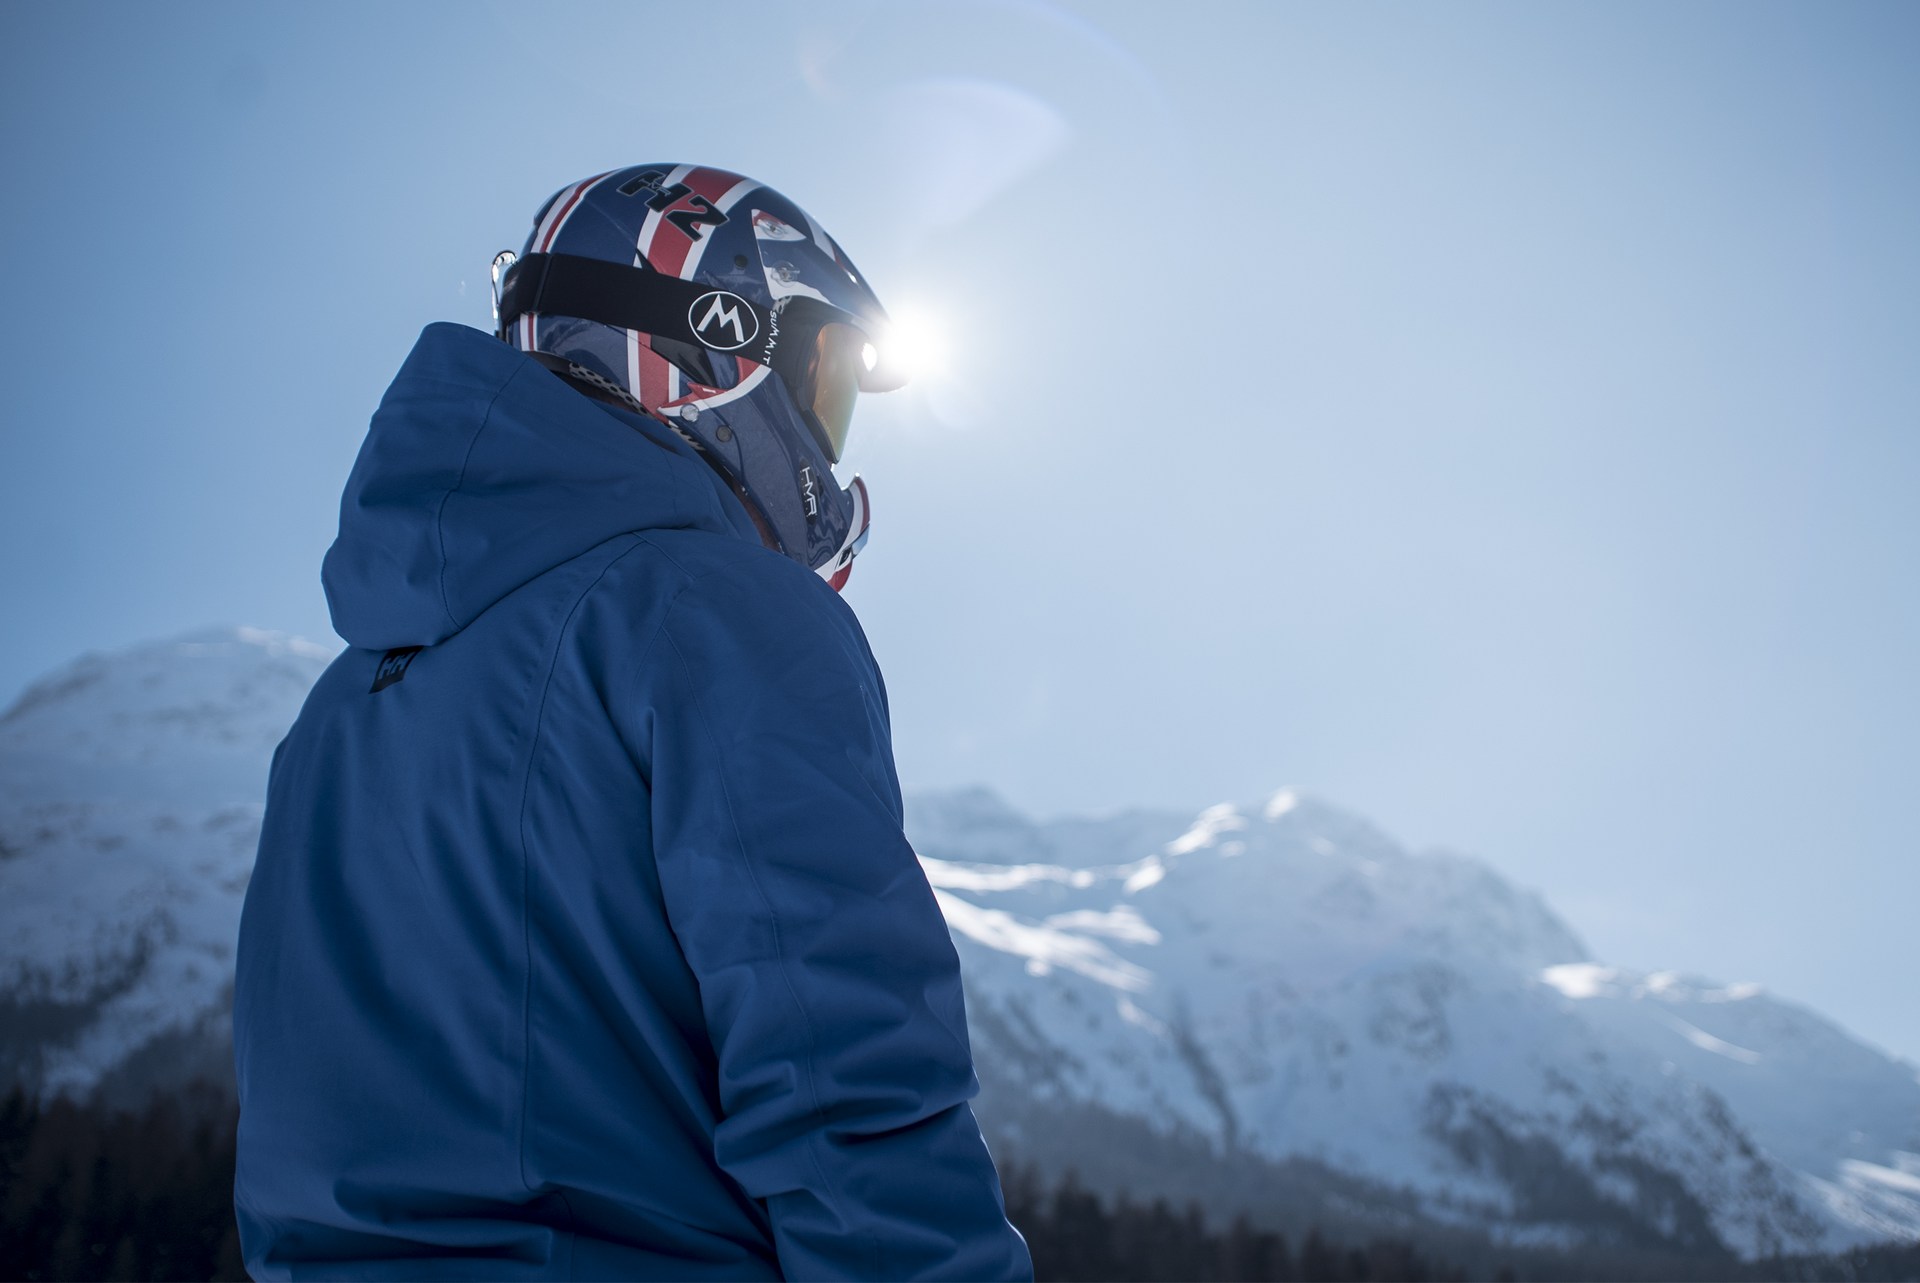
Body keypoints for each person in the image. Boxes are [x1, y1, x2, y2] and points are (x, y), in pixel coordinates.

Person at [232, 164, 1033, 1282]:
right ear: (712, 341)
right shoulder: (718, 610)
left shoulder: (340, 708)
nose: (829, 441)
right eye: (825, 380)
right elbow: (843, 1071)